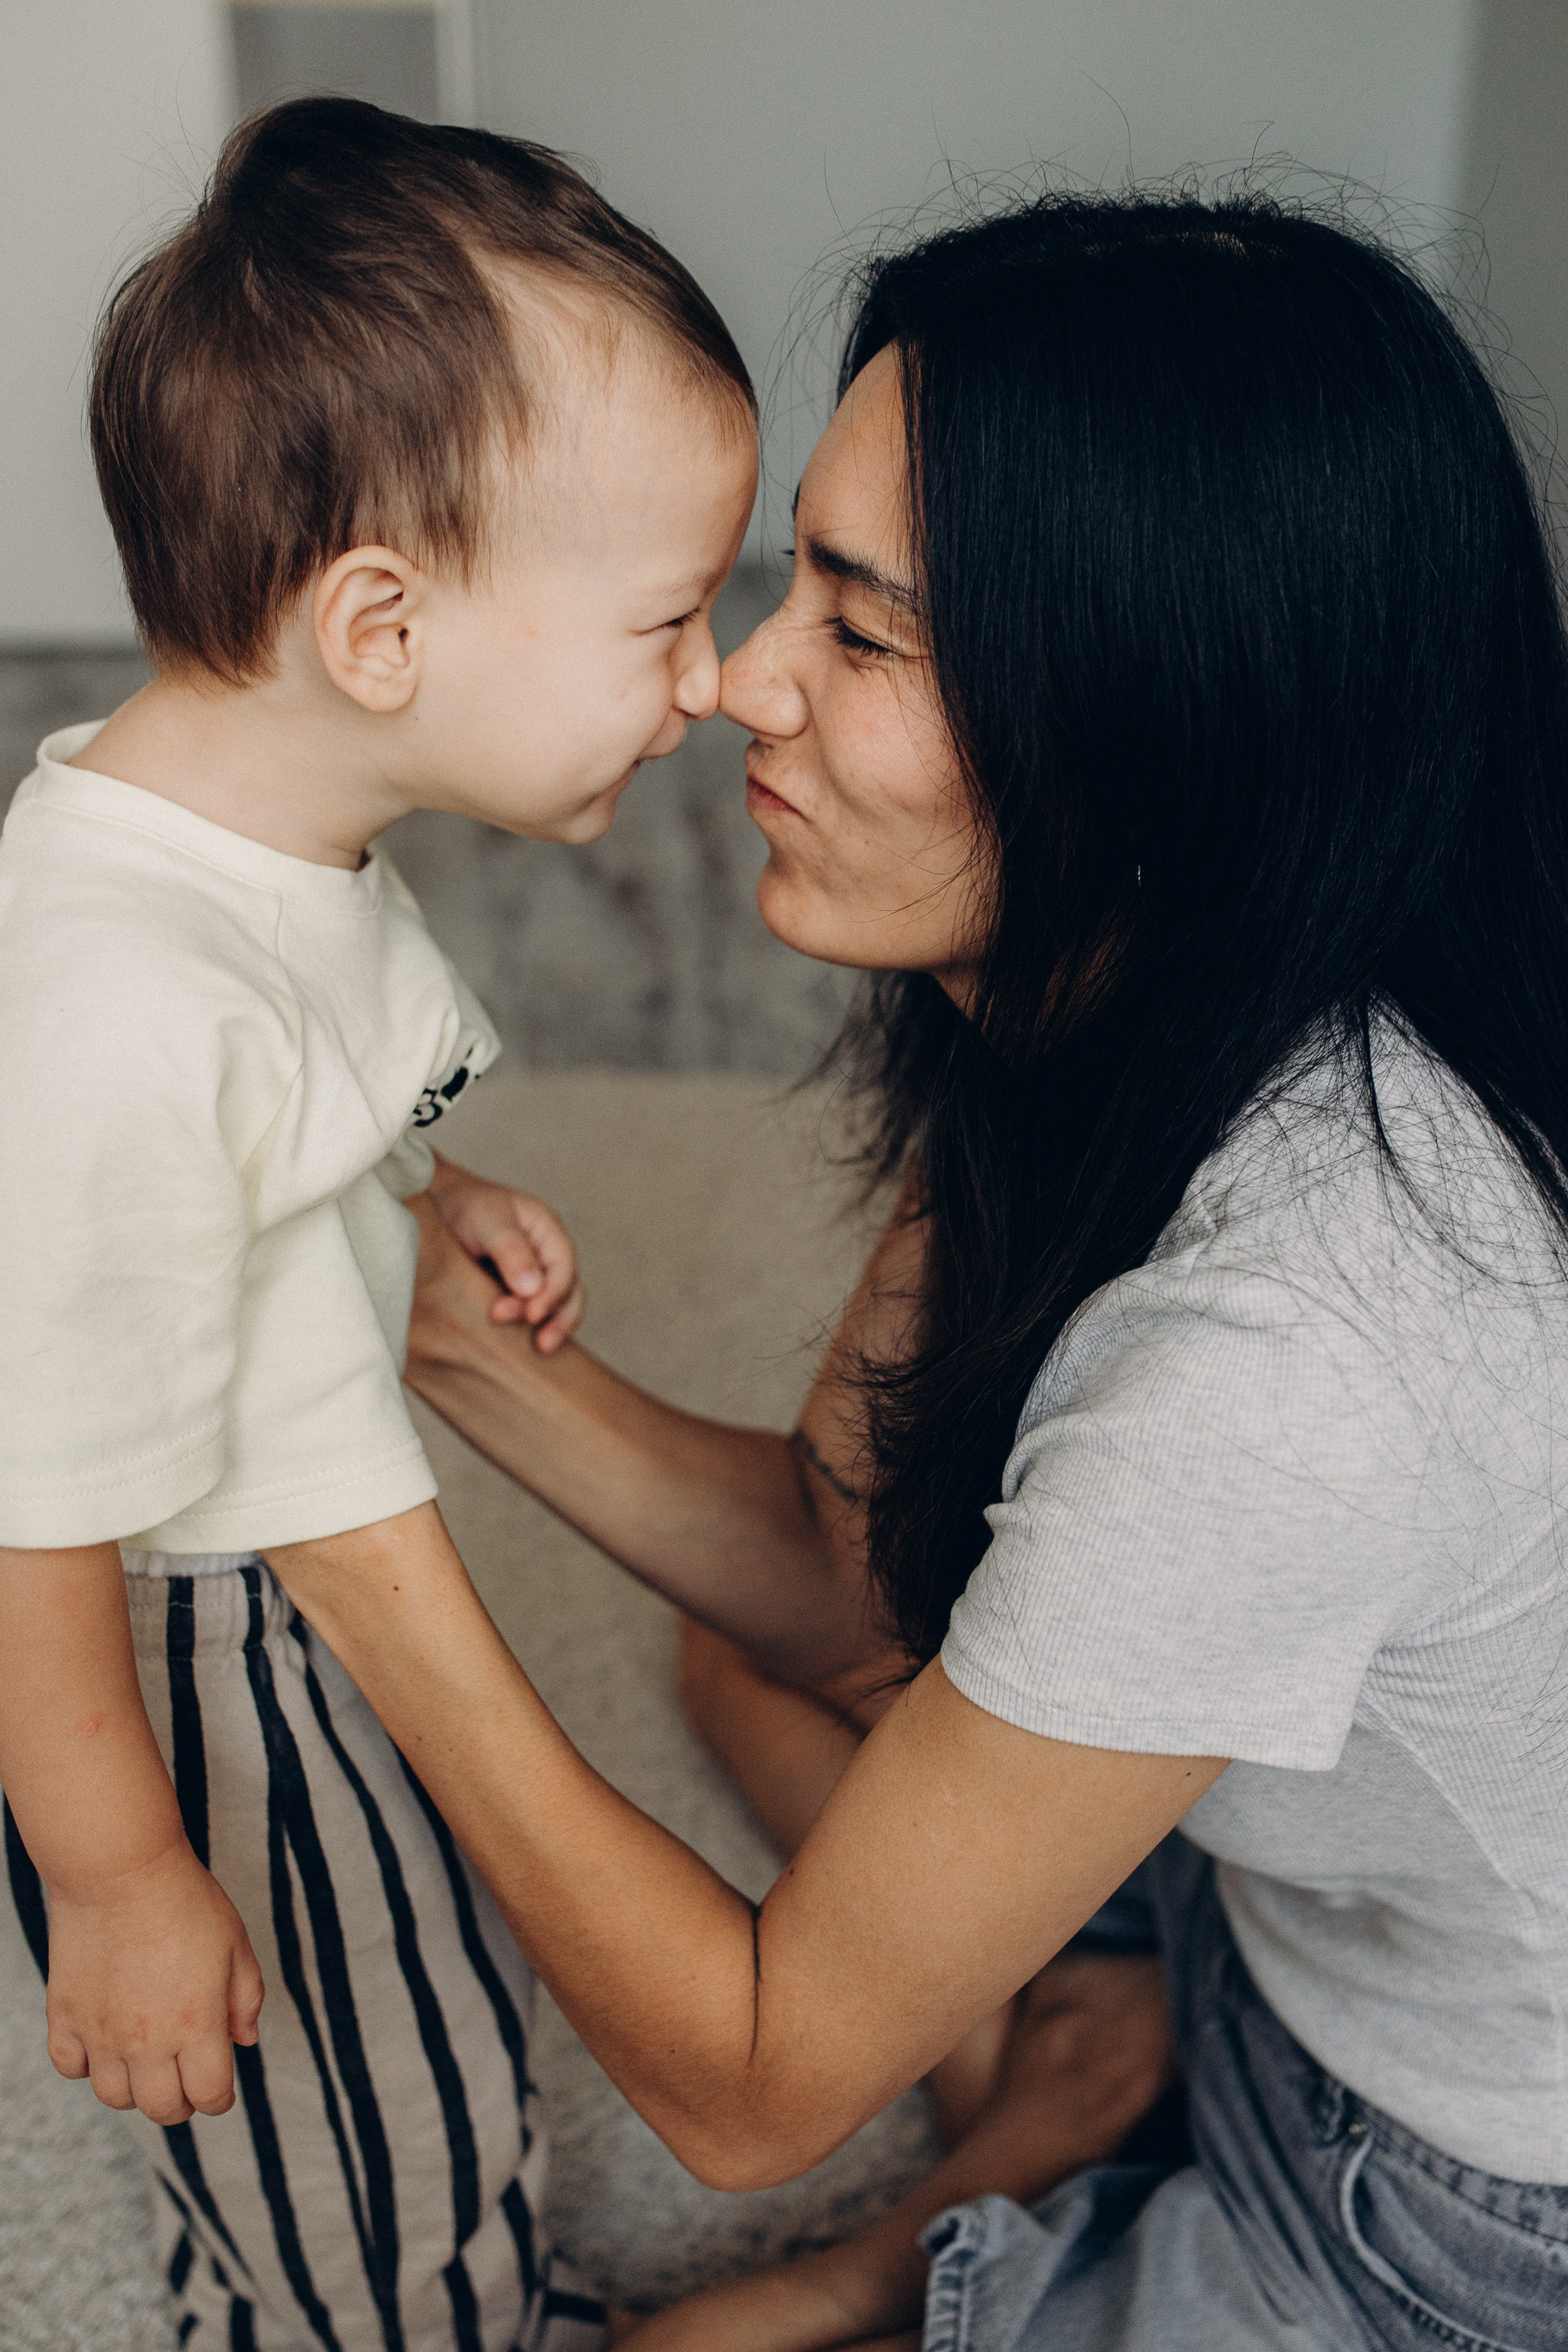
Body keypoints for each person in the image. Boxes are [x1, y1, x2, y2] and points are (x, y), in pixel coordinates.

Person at [265, 190, 1568, 2351]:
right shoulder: (1113, 1003)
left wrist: (336, 1521)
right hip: (1270, 1919)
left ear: (1152, 745)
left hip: (1452, 2192)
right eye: (799, 580)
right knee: (747, 1667)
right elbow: (843, 1579)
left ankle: (981, 2192)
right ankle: (1069, 2083)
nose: (732, 680)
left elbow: (757, 2085)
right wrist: (397, 1298)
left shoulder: (1298, 1347)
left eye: (859, 635)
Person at [0, 97, 757, 2351]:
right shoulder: (116, 1000)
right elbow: (29, 1501)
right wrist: (118, 1868)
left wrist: (426, 1188)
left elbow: (298, 1115)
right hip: (180, 1644)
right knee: (329, 2060)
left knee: (418, 1963)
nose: (712, 681)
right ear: (384, 627)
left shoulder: (287, 842)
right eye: (666, 616)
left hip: (287, 1572)